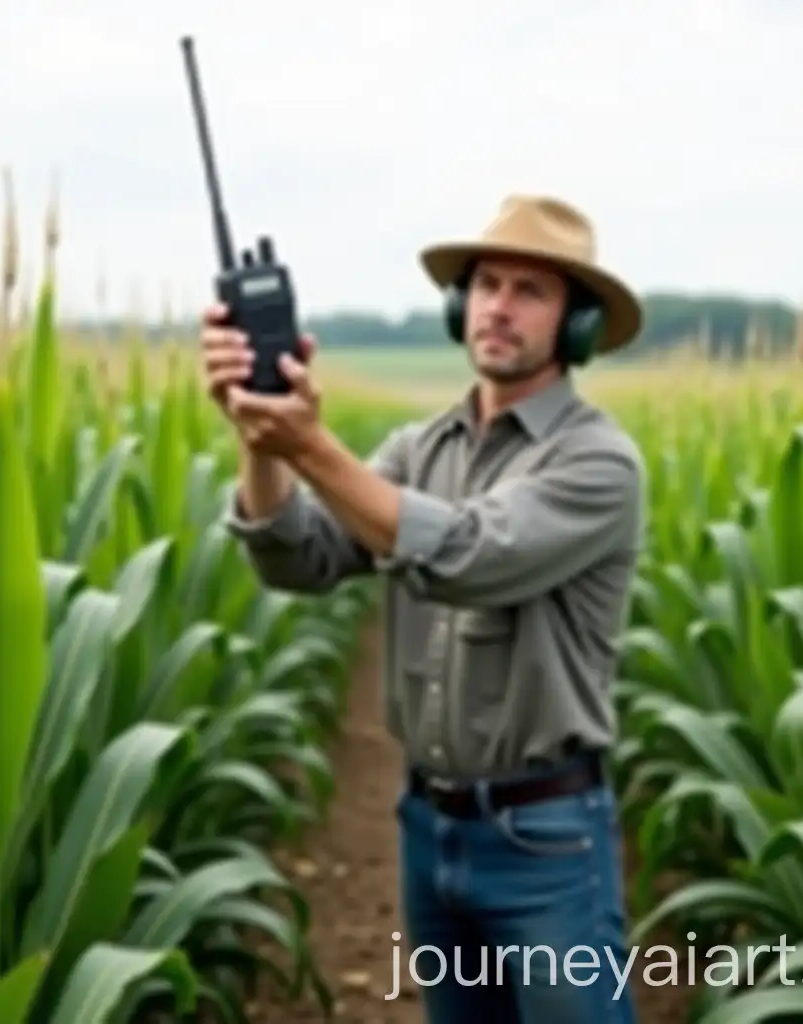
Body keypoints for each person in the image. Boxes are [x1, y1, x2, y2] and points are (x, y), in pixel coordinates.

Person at [200, 194, 647, 1023]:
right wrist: (257, 434)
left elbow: (465, 554)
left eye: (530, 292)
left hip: (545, 839)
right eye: (486, 286)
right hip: (428, 828)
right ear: (458, 305)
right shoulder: (420, 449)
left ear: (577, 323)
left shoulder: (599, 463)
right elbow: (302, 556)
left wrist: (313, 445)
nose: (499, 308)